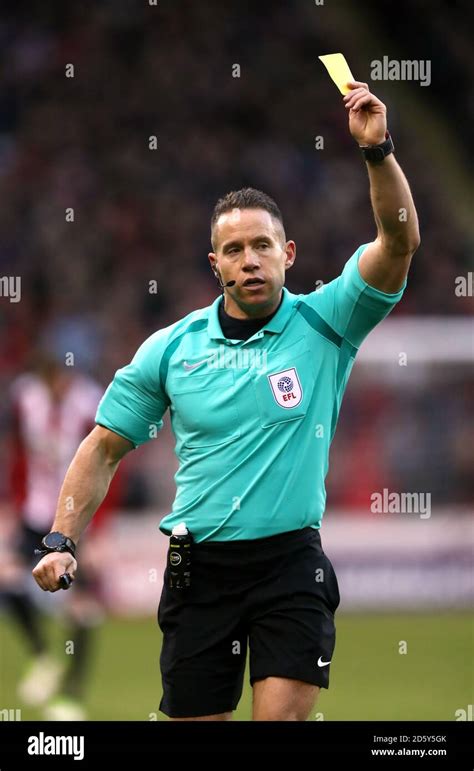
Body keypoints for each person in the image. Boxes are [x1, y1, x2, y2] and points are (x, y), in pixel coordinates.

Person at [32, 82, 420, 720]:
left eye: (262, 245)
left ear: (287, 254)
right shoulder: (170, 348)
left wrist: (377, 153)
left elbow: (398, 244)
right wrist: (60, 540)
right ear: (215, 263)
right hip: (200, 570)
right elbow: (103, 446)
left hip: (290, 566)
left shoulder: (328, 323)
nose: (250, 260)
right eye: (234, 250)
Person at [2, 351, 120, 720]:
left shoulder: (90, 401)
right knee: (6, 581)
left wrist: (99, 529)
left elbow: (107, 463)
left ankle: (69, 697)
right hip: (35, 515)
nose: (58, 387)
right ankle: (42, 657)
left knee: (82, 612)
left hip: (76, 520)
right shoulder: (25, 398)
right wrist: (13, 505)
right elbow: (18, 457)